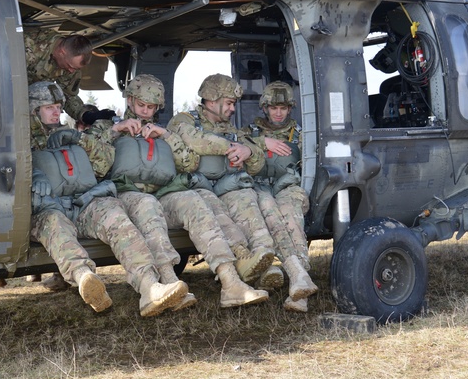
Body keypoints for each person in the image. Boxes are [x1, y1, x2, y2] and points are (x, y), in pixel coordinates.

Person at [81, 74, 269, 309]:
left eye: (151, 107)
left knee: (195, 199)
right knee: (146, 204)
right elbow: (89, 160)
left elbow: (188, 164)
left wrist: (168, 137)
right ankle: (169, 282)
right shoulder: (106, 127)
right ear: (130, 101)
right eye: (141, 105)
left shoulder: (163, 130)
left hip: (163, 194)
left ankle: (230, 281)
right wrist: (115, 131)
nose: (146, 112)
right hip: (126, 194)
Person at [28, 81, 189, 316]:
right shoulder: (20, 141)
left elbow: (103, 163)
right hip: (47, 209)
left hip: (82, 204)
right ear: (34, 110)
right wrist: (33, 174)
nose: (56, 112)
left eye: (58, 106)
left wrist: (80, 139)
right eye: (48, 107)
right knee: (54, 224)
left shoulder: (69, 134)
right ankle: (86, 280)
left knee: (115, 215)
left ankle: (149, 288)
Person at [167, 74, 279, 285]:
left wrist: (249, 151)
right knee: (213, 206)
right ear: (211, 100)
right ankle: (243, 259)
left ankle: (264, 259)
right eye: (229, 103)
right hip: (197, 190)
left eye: (233, 104)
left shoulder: (229, 128)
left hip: (225, 188)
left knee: (248, 199)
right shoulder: (183, 121)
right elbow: (195, 141)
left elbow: (255, 161)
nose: (233, 109)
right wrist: (228, 147)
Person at [250, 81, 319, 311]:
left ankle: (301, 288)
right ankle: (269, 272)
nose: (278, 113)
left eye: (283, 108)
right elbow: (233, 144)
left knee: (291, 216)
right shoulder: (251, 133)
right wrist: (263, 142)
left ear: (290, 109)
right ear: (265, 108)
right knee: (265, 209)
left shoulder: (300, 134)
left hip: (288, 188)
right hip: (260, 189)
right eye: (273, 108)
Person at [25, 30, 116, 125]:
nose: (71, 71)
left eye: (75, 68)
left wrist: (86, 115)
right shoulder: (29, 46)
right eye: (70, 66)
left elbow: (68, 95)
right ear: (62, 52)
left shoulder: (70, 67)